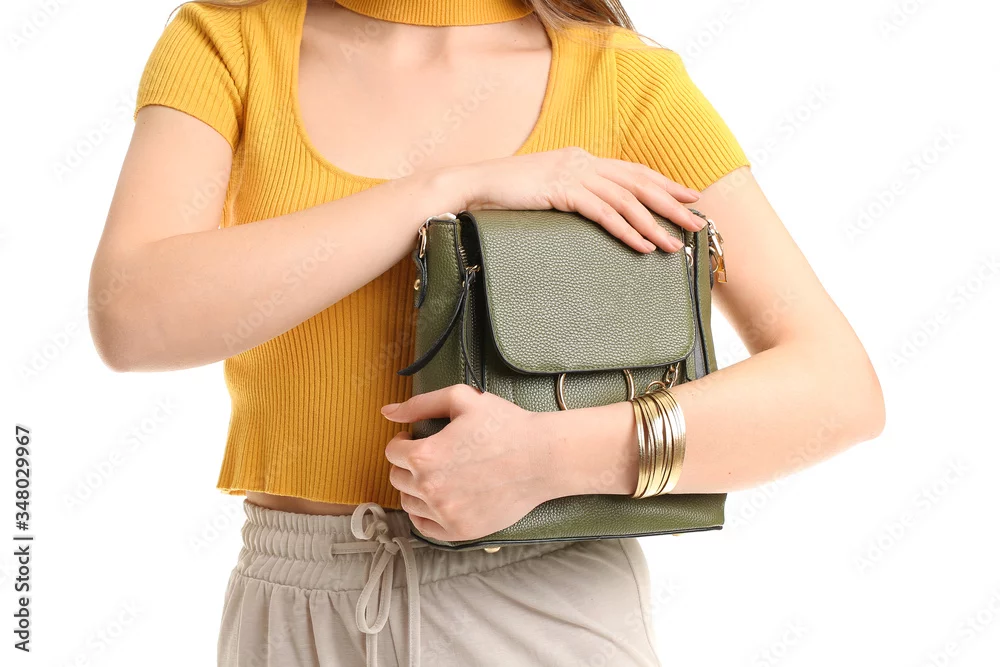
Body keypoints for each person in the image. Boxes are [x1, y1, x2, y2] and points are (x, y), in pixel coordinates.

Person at [88, 0, 886, 665]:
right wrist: (445, 190)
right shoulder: (227, 42)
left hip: (544, 606)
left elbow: (836, 386)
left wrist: (549, 458)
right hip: (291, 614)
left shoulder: (622, 80)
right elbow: (132, 316)